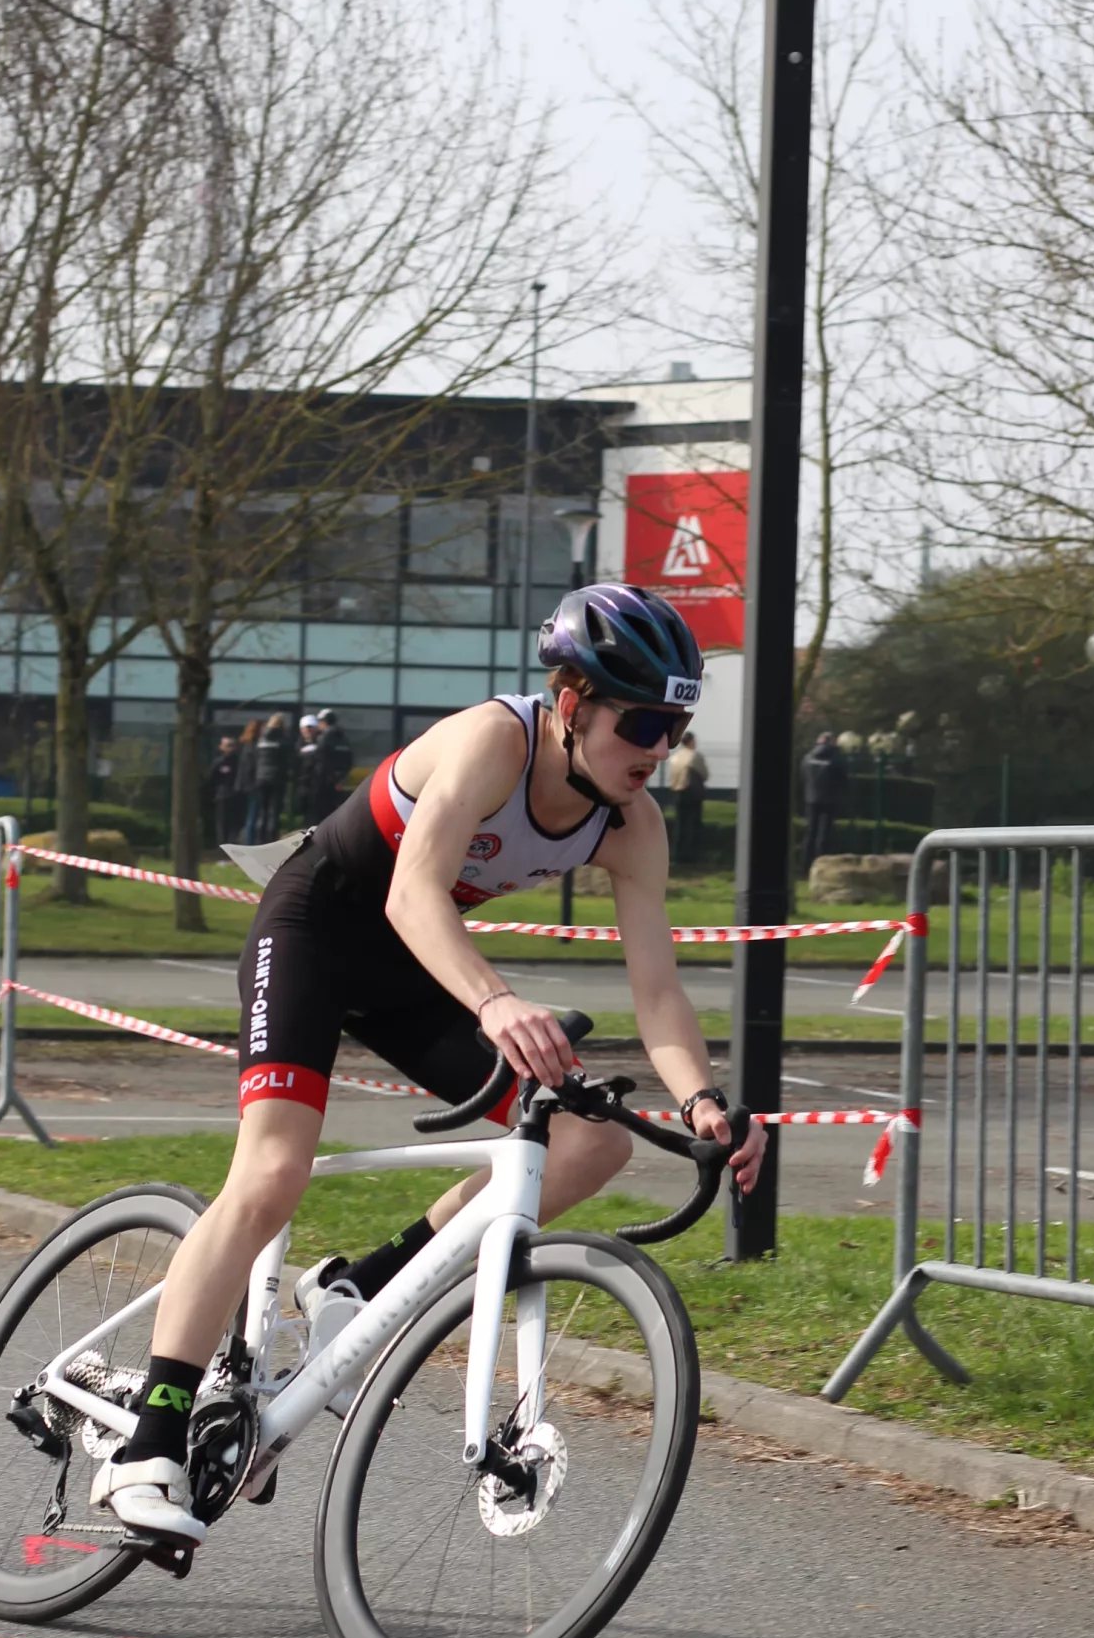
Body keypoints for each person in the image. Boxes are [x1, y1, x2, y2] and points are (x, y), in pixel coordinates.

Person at [90, 581, 766, 1544]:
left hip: (412, 971)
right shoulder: (493, 741)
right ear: (570, 702)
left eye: (676, 728)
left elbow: (657, 992)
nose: (658, 749)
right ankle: (147, 1444)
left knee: (592, 1143)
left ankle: (358, 1289)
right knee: (272, 1174)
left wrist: (703, 1101)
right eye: (642, 723)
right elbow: (412, 892)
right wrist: (494, 1002)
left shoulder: (632, 826)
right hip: (317, 931)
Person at [799, 729, 848, 873]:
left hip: (810, 798)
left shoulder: (807, 757)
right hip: (830, 799)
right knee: (824, 833)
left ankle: (805, 865)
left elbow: (803, 775)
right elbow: (843, 778)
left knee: (810, 831)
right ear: (832, 742)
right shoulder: (836, 758)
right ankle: (821, 865)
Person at [666, 726, 709, 865]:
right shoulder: (695, 756)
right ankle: (692, 857)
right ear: (691, 741)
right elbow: (705, 775)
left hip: (678, 794)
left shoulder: (674, 758)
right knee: (694, 825)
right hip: (693, 794)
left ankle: (677, 856)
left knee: (680, 826)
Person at [248, 712, 291, 842]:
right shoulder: (284, 740)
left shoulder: (261, 740)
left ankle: (259, 840)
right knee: (274, 812)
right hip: (277, 779)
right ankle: (271, 840)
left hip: (261, 778)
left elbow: (255, 759)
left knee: (262, 811)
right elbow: (288, 761)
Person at [310, 707, 352, 821]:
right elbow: (349, 760)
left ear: (324, 722)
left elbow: (321, 761)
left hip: (324, 782)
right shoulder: (344, 738)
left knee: (321, 814)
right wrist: (340, 779)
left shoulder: (324, 738)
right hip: (340, 782)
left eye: (319, 722)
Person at [210, 734, 242, 844]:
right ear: (221, 747)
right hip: (222, 796)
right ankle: (222, 845)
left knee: (236, 822)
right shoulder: (218, 762)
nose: (231, 748)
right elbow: (212, 779)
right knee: (222, 823)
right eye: (228, 745)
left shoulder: (239, 762)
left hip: (237, 795)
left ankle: (233, 843)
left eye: (232, 745)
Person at [234, 719, 261, 841]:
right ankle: (250, 841)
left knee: (250, 815)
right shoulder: (251, 747)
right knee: (252, 815)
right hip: (252, 785)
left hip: (245, 785)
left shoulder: (245, 746)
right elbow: (250, 767)